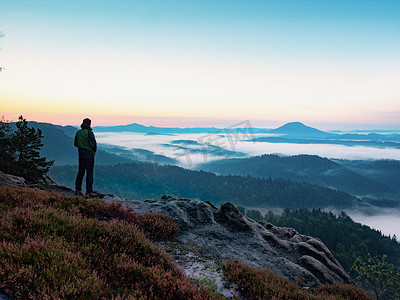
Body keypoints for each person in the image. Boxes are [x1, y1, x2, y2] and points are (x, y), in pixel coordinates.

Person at [74, 118, 97, 196]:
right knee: (89, 173)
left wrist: (81, 147)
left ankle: (77, 189)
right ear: (89, 124)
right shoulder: (89, 132)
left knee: (81, 172)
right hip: (89, 155)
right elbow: (93, 144)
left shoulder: (79, 132)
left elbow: (75, 143)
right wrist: (93, 151)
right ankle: (89, 191)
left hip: (81, 154)